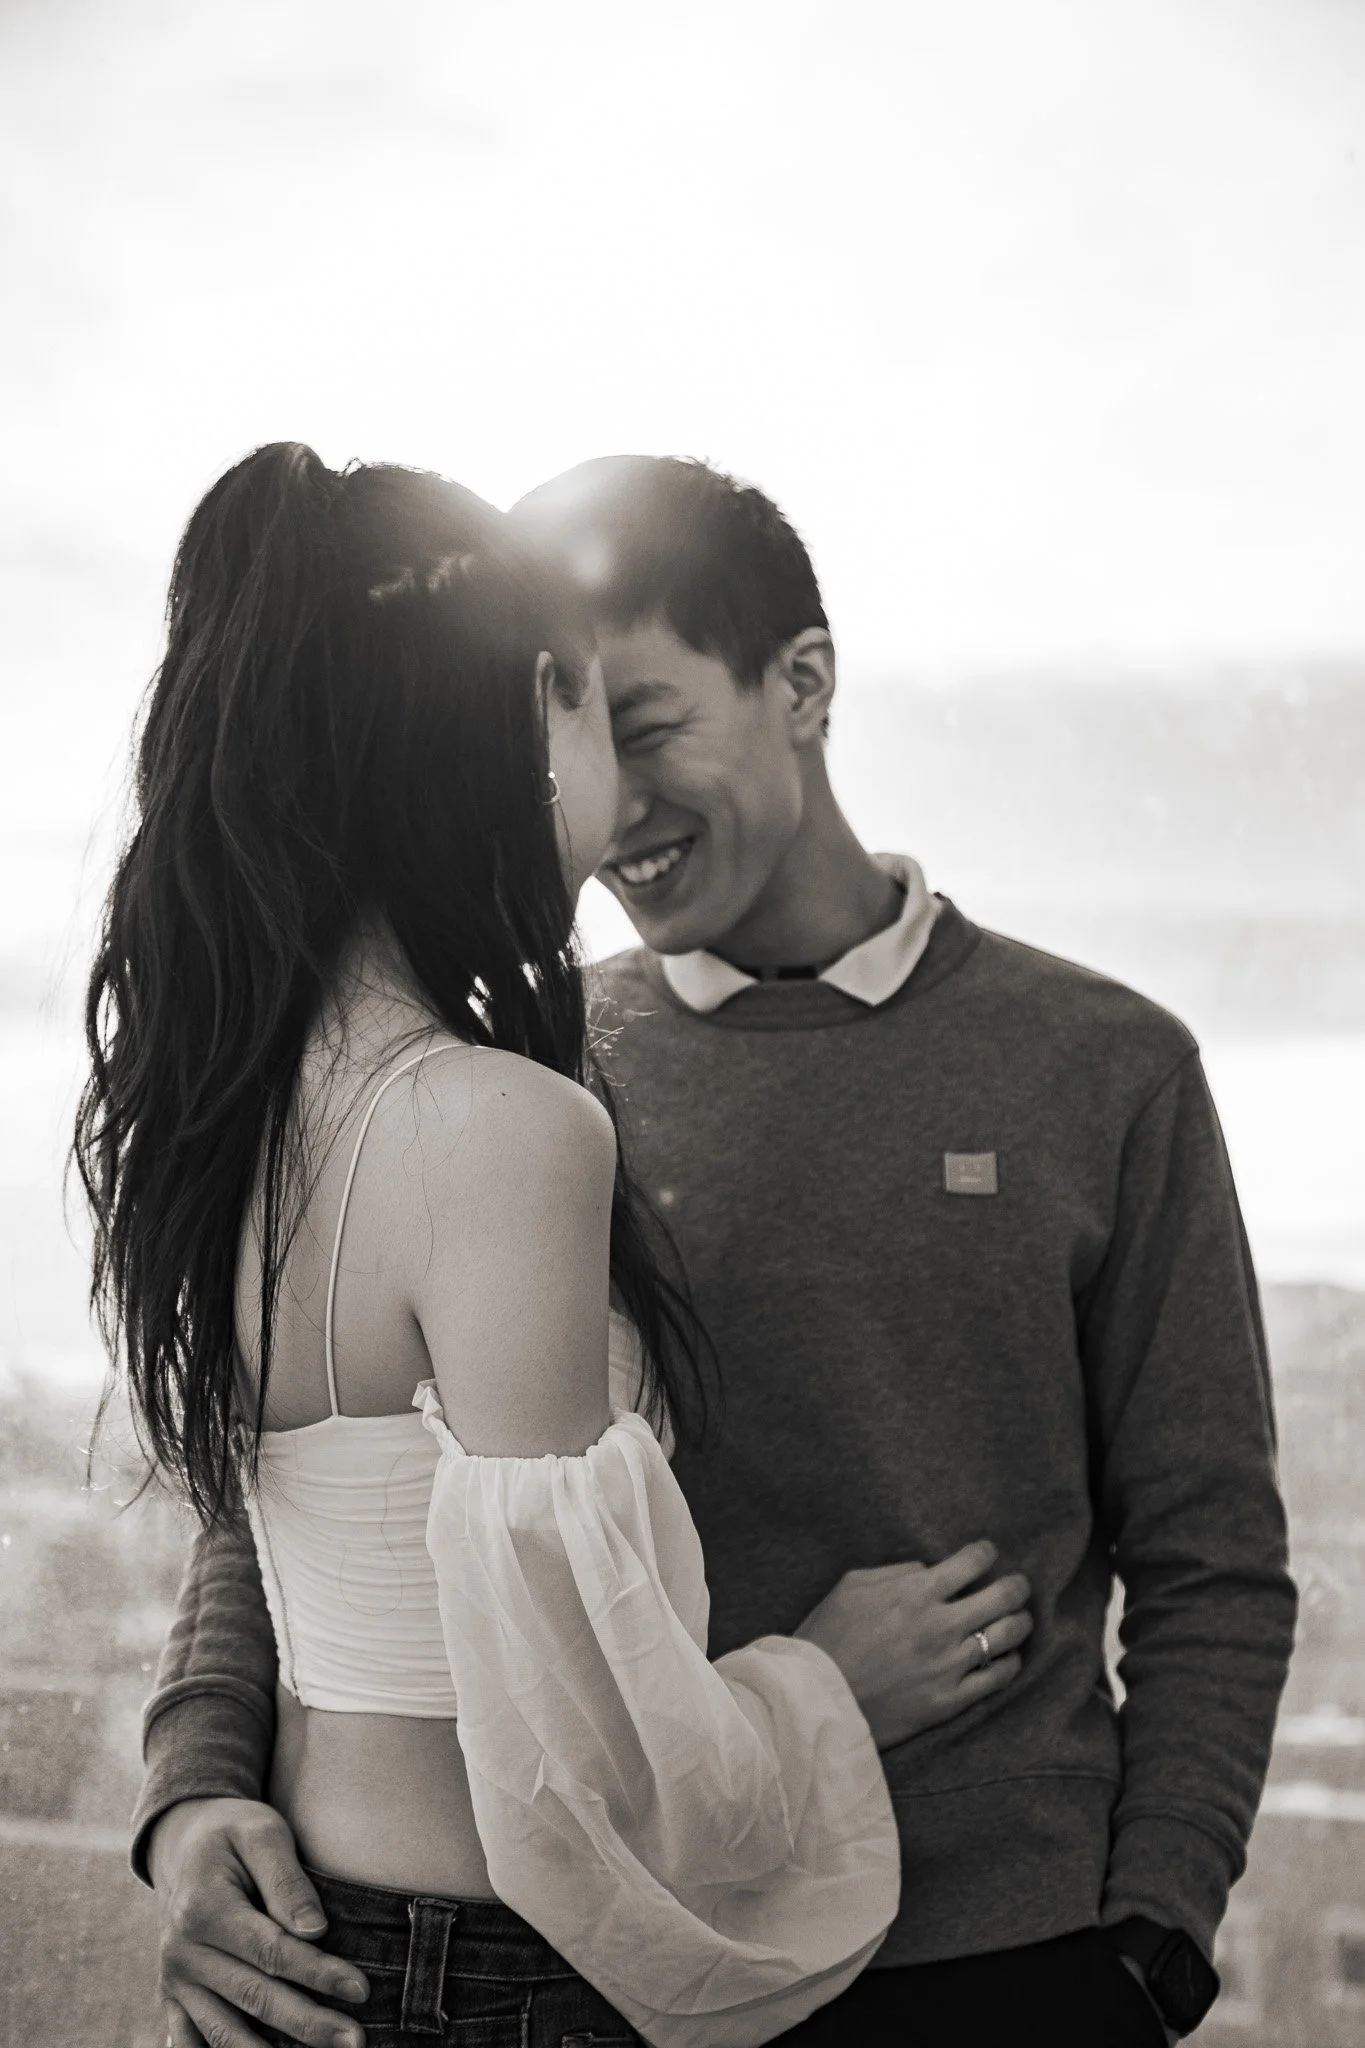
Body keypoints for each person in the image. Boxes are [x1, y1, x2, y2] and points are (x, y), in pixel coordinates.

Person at [127, 456, 1296, 2048]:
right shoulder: (515, 1087)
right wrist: (192, 1797)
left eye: (649, 718)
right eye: (566, 717)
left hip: (995, 1953)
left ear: (803, 684)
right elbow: (306, 1497)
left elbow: (1211, 1549)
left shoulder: (1105, 1063)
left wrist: (1151, 1940)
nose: (616, 794)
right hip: (611, 1961)